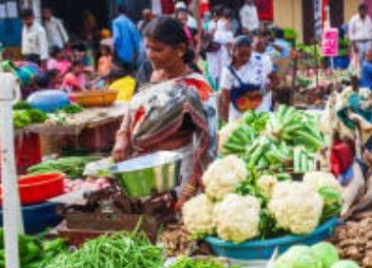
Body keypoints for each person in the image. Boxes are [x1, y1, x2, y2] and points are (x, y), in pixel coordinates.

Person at [112, 16, 213, 201]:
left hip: (179, 170)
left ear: (181, 49)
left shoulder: (196, 87)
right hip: (143, 167)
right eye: (148, 47)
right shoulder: (149, 73)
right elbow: (133, 105)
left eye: (158, 49)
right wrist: (122, 136)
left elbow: (209, 143)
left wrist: (189, 188)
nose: (150, 54)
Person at [218, 35, 275, 122]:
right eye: (241, 55)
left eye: (248, 55)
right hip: (238, 117)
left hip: (260, 114)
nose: (245, 58)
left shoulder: (260, 63)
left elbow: (276, 80)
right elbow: (225, 100)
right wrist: (225, 125)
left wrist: (262, 92)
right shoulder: (228, 71)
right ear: (233, 51)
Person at [207, 9, 235, 87]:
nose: (229, 24)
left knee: (225, 72)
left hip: (225, 55)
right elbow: (226, 42)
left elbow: (230, 44)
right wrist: (228, 43)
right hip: (220, 55)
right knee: (221, 72)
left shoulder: (227, 33)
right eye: (228, 21)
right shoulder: (220, 32)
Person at [348, 4, 372, 70]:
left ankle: (364, 74)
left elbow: (371, 31)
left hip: (367, 42)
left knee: (367, 60)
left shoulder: (368, 19)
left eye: (366, 11)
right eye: (363, 11)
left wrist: (371, 43)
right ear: (359, 11)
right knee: (357, 60)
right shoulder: (354, 19)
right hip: (358, 43)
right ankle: (357, 75)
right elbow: (351, 32)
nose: (365, 12)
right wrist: (354, 44)